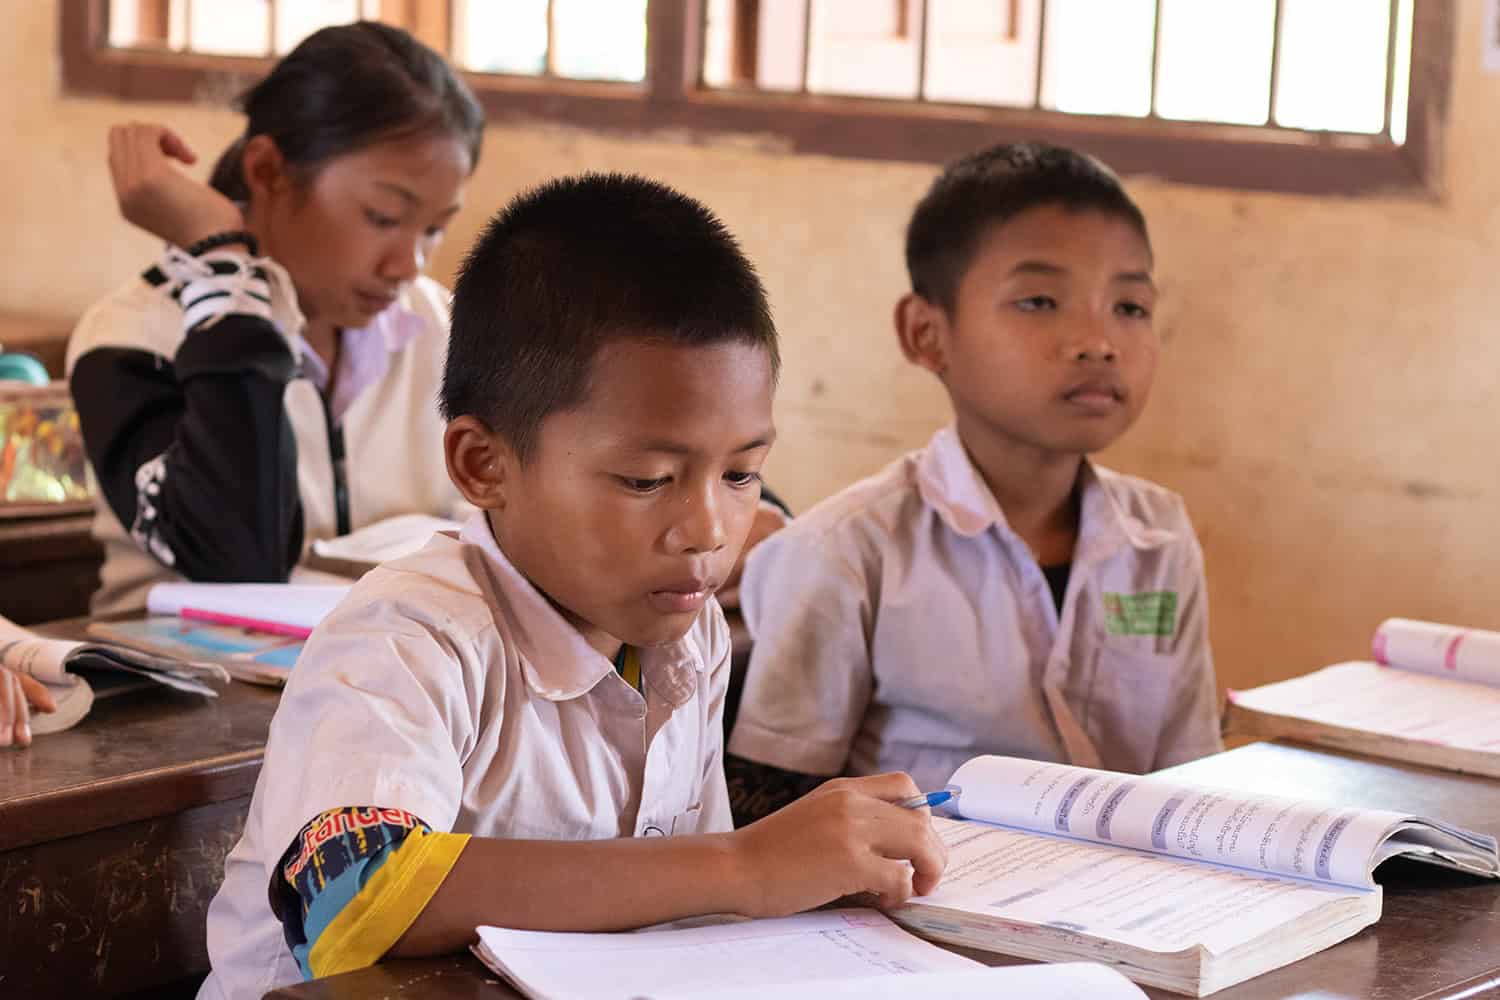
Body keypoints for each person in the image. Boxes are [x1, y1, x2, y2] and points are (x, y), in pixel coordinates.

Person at [195, 173, 947, 999]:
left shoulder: (683, 636)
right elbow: (349, 895)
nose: (707, 528)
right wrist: (744, 863)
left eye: (742, 474)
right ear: (485, 465)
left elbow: (683, 917)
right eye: (646, 479)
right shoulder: (408, 638)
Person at [726, 143, 1223, 823]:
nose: (1098, 341)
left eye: (1130, 307)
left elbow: (1190, 781)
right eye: (1041, 301)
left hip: (1122, 907)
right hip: (909, 909)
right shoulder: (846, 552)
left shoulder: (1159, 538)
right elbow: (766, 809)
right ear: (927, 334)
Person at [66, 21, 484, 616]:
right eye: (384, 216)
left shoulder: (439, 326)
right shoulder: (132, 336)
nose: (407, 263)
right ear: (267, 173)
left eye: (435, 227)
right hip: (187, 699)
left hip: (399, 684)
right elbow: (236, 559)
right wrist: (223, 269)